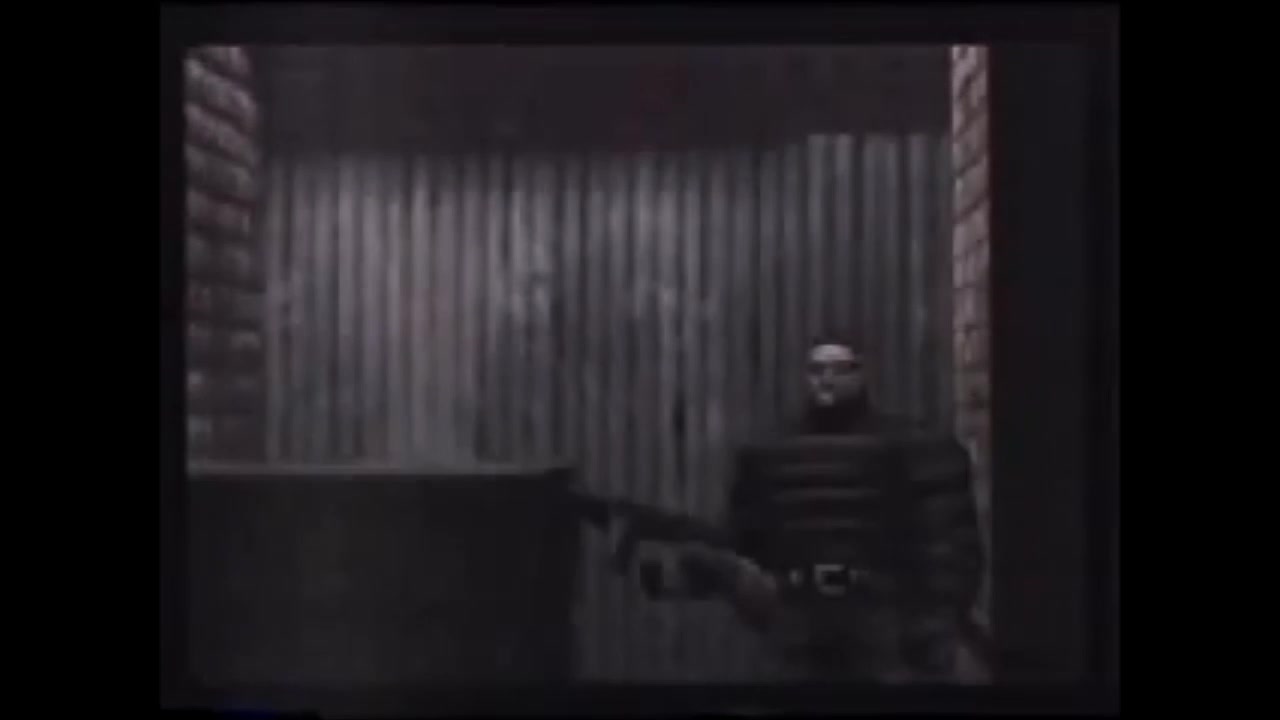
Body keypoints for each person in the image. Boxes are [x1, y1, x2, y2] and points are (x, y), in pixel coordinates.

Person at [615, 337, 987, 682]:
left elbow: (950, 545)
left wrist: (932, 623)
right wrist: (690, 559)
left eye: (840, 368)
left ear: (862, 373)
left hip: (883, 622)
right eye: (817, 369)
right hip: (797, 620)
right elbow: (742, 539)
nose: (827, 378)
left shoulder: (913, 446)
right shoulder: (770, 453)